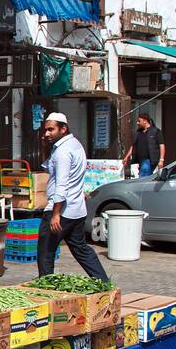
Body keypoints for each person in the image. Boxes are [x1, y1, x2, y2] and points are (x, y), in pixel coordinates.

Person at [37, 113, 111, 282]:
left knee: (46, 252)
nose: (47, 133)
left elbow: (61, 185)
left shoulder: (63, 151)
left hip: (61, 211)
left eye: (51, 129)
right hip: (76, 210)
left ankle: (46, 289)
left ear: (63, 129)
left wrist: (55, 214)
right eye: (46, 130)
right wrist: (44, 146)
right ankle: (104, 282)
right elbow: (49, 167)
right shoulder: (74, 145)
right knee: (81, 249)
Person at [122, 112, 165, 177]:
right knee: (145, 179)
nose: (137, 123)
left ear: (145, 121)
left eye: (139, 121)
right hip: (139, 161)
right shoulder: (139, 132)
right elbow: (134, 145)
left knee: (143, 178)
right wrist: (126, 157)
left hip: (149, 160)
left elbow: (161, 145)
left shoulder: (155, 131)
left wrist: (161, 160)